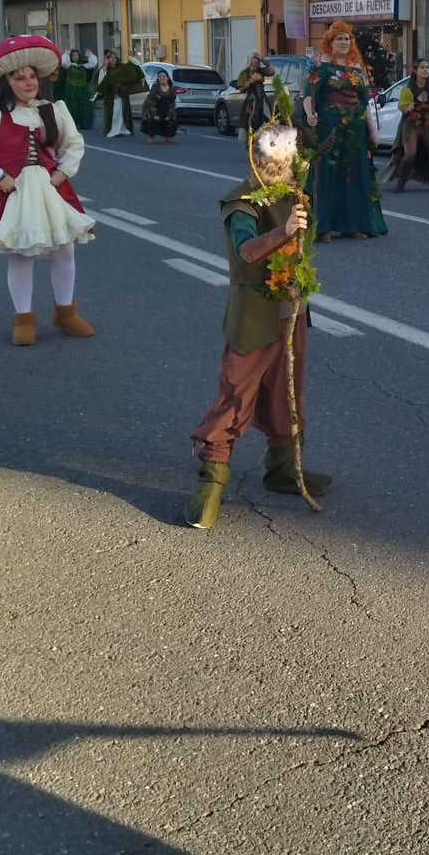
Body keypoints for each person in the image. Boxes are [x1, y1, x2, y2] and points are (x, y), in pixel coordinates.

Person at [185, 86, 328, 530]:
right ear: (261, 162)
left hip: (292, 312)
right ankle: (210, 483)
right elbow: (246, 251)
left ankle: (283, 467)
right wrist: (284, 232)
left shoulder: (291, 193)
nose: (286, 168)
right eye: (279, 163)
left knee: (287, 393)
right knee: (236, 394)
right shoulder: (242, 203)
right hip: (254, 314)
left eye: (290, 162)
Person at [0, 35, 96, 346]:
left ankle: (65, 312)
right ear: (7, 82)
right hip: (12, 192)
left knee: (65, 249)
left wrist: (63, 172)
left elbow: (74, 143)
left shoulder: (50, 109)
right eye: (20, 77)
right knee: (21, 253)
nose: (29, 83)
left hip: (48, 189)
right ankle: (24, 318)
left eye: (32, 76)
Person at [302, 21, 386, 242]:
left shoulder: (356, 68)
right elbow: (309, 94)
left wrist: (372, 130)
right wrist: (310, 114)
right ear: (330, 42)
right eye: (339, 38)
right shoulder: (321, 65)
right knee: (328, 176)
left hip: (355, 132)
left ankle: (353, 225)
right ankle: (322, 228)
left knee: (354, 176)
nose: (343, 42)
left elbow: (364, 102)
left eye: (347, 39)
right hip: (328, 130)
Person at [387, 58, 429, 193]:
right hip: (411, 125)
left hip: (428, 125)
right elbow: (402, 106)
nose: (426, 70)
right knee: (410, 153)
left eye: (427, 67)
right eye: (422, 67)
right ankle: (401, 183)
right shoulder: (408, 89)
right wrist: (407, 107)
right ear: (415, 71)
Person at [95, 48, 145, 137]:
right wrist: (105, 68)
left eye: (114, 57)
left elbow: (132, 71)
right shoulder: (105, 70)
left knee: (121, 112)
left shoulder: (122, 67)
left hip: (122, 93)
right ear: (108, 59)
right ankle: (112, 129)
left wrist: (131, 58)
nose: (113, 59)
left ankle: (123, 128)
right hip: (111, 95)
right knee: (113, 112)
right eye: (111, 58)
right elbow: (101, 81)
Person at [236, 51, 274, 136]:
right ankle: (251, 141)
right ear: (250, 59)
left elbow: (272, 72)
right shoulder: (244, 73)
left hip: (262, 101)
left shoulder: (260, 71)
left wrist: (263, 59)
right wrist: (248, 83)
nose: (257, 60)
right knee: (251, 124)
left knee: (264, 122)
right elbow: (241, 90)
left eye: (258, 59)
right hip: (251, 102)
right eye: (254, 58)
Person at [141, 69, 180, 144]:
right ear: (158, 78)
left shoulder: (171, 89)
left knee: (171, 121)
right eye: (160, 77)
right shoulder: (155, 87)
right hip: (155, 106)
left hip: (166, 107)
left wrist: (169, 115)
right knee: (152, 121)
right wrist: (154, 114)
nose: (162, 78)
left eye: (164, 76)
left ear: (167, 78)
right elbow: (151, 101)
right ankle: (151, 137)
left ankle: (168, 136)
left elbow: (172, 103)